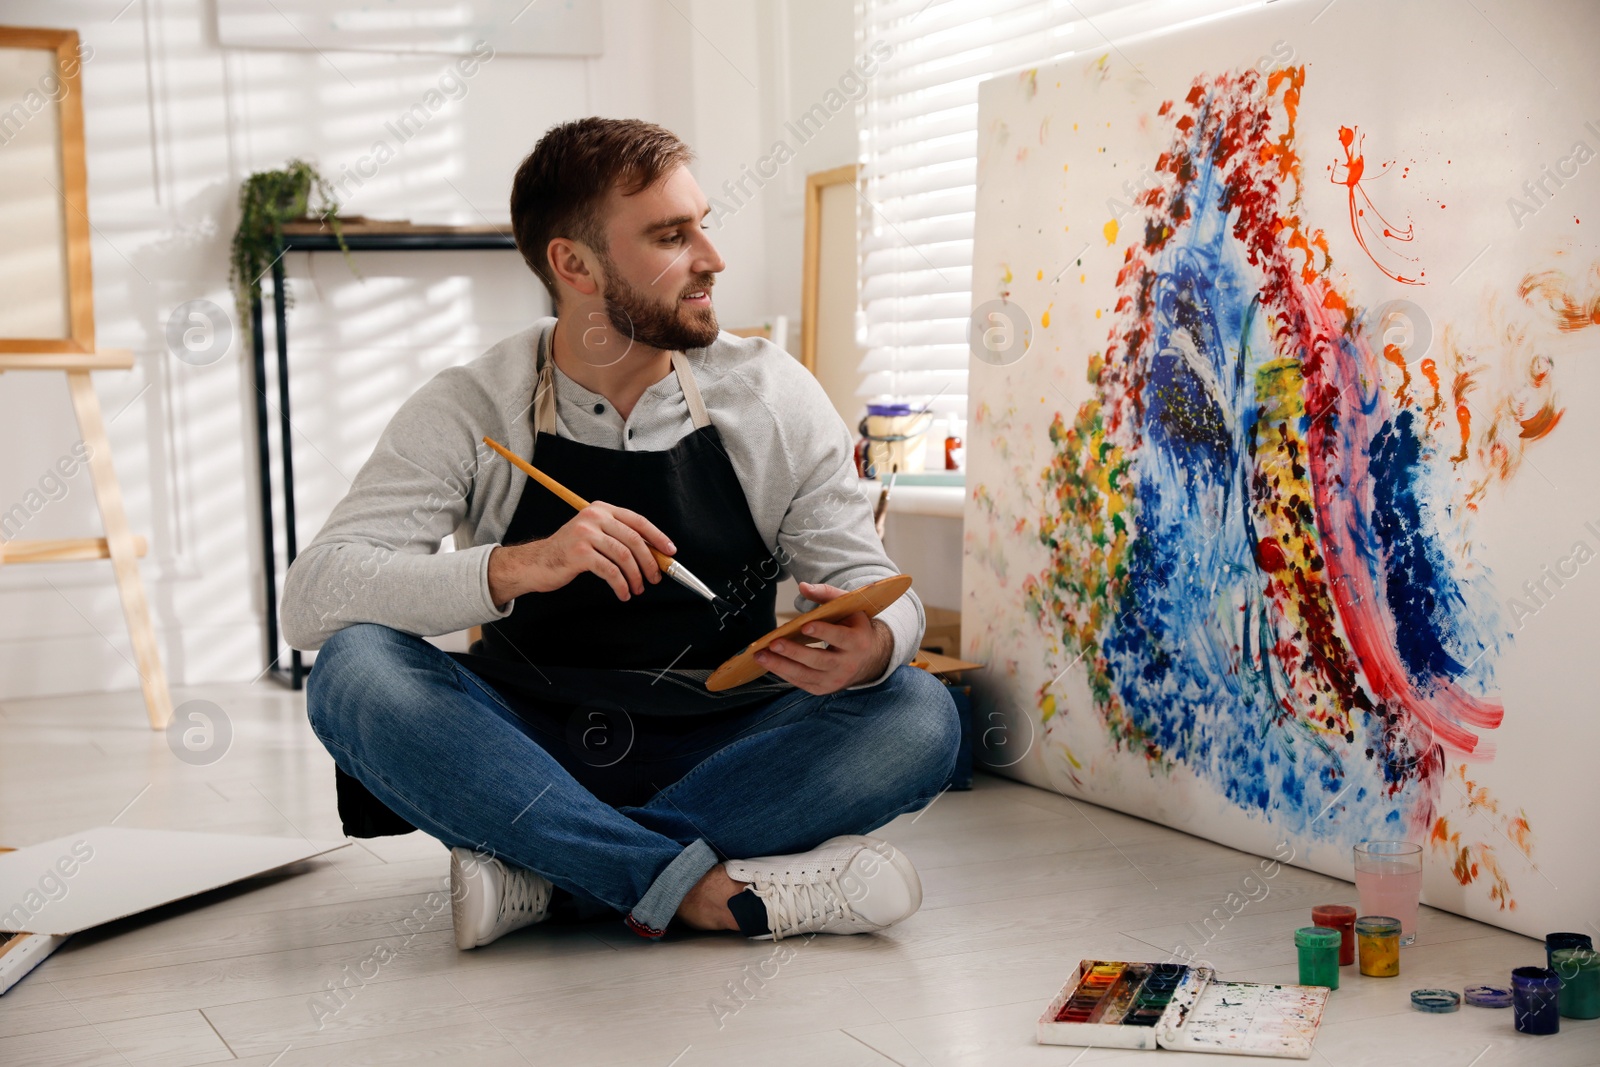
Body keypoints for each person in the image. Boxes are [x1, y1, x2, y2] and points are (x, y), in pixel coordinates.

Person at [282, 117, 960, 948]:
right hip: (529, 746)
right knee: (355, 670)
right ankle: (696, 886)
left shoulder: (773, 396)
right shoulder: (470, 403)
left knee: (921, 712)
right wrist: (515, 565)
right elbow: (313, 595)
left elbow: (877, 585)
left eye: (703, 224)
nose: (711, 257)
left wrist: (875, 642)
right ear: (574, 264)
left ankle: (560, 876)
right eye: (672, 236)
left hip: (727, 739)